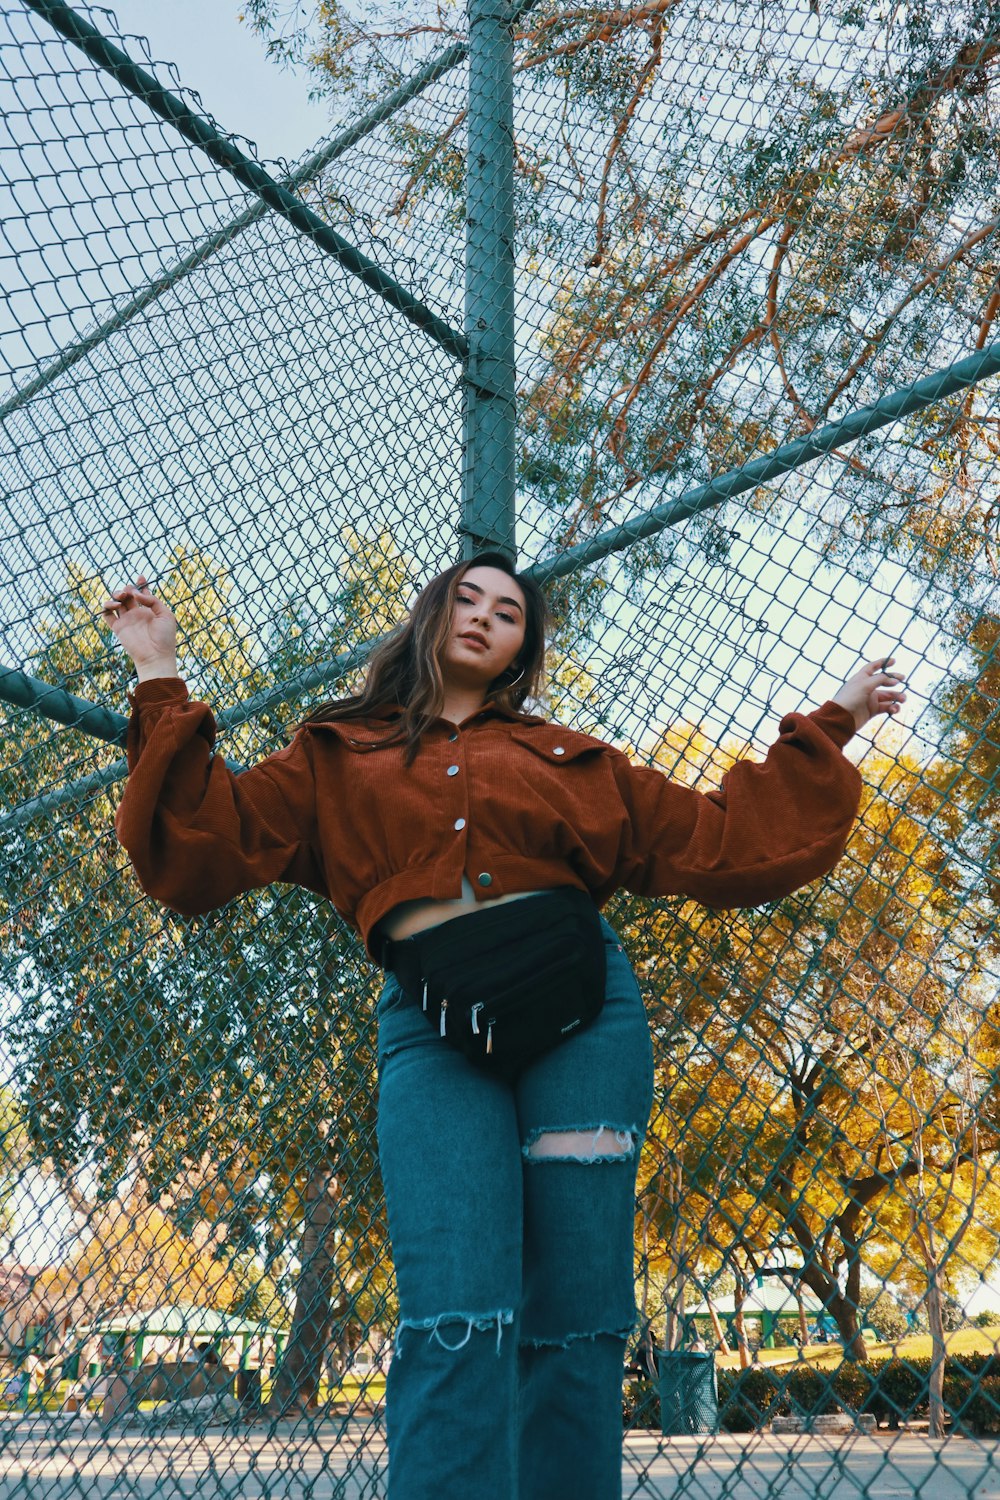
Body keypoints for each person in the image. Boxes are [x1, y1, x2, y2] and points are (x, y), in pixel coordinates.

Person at [101, 553, 905, 1499]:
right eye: (466, 600)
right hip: (432, 1026)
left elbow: (725, 836)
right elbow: (202, 841)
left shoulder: (572, 758)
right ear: (432, 617)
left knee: (577, 1318)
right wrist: (156, 672)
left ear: (523, 648)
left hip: (586, 1022)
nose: (484, 618)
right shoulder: (331, 753)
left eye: (510, 613)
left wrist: (837, 721)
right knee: (455, 1314)